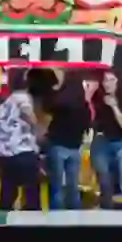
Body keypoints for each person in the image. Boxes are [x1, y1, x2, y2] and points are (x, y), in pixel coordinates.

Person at [90, 70, 122, 209]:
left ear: (119, 81)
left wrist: (114, 106)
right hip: (103, 139)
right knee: (104, 180)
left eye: (111, 80)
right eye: (105, 80)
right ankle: (107, 212)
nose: (107, 84)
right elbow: (92, 118)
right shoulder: (97, 96)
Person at [0, 68, 41, 210]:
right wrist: (34, 124)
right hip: (23, 150)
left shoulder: (7, 102)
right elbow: (27, 113)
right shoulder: (22, 97)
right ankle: (33, 224)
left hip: (5, 153)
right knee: (32, 192)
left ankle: (2, 224)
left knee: (8, 192)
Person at [43, 70, 91, 210]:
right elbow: (87, 124)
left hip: (57, 144)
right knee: (73, 187)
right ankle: (74, 219)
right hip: (75, 147)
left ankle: (55, 220)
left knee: (56, 187)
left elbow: (47, 108)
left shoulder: (60, 102)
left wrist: (53, 90)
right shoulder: (83, 106)